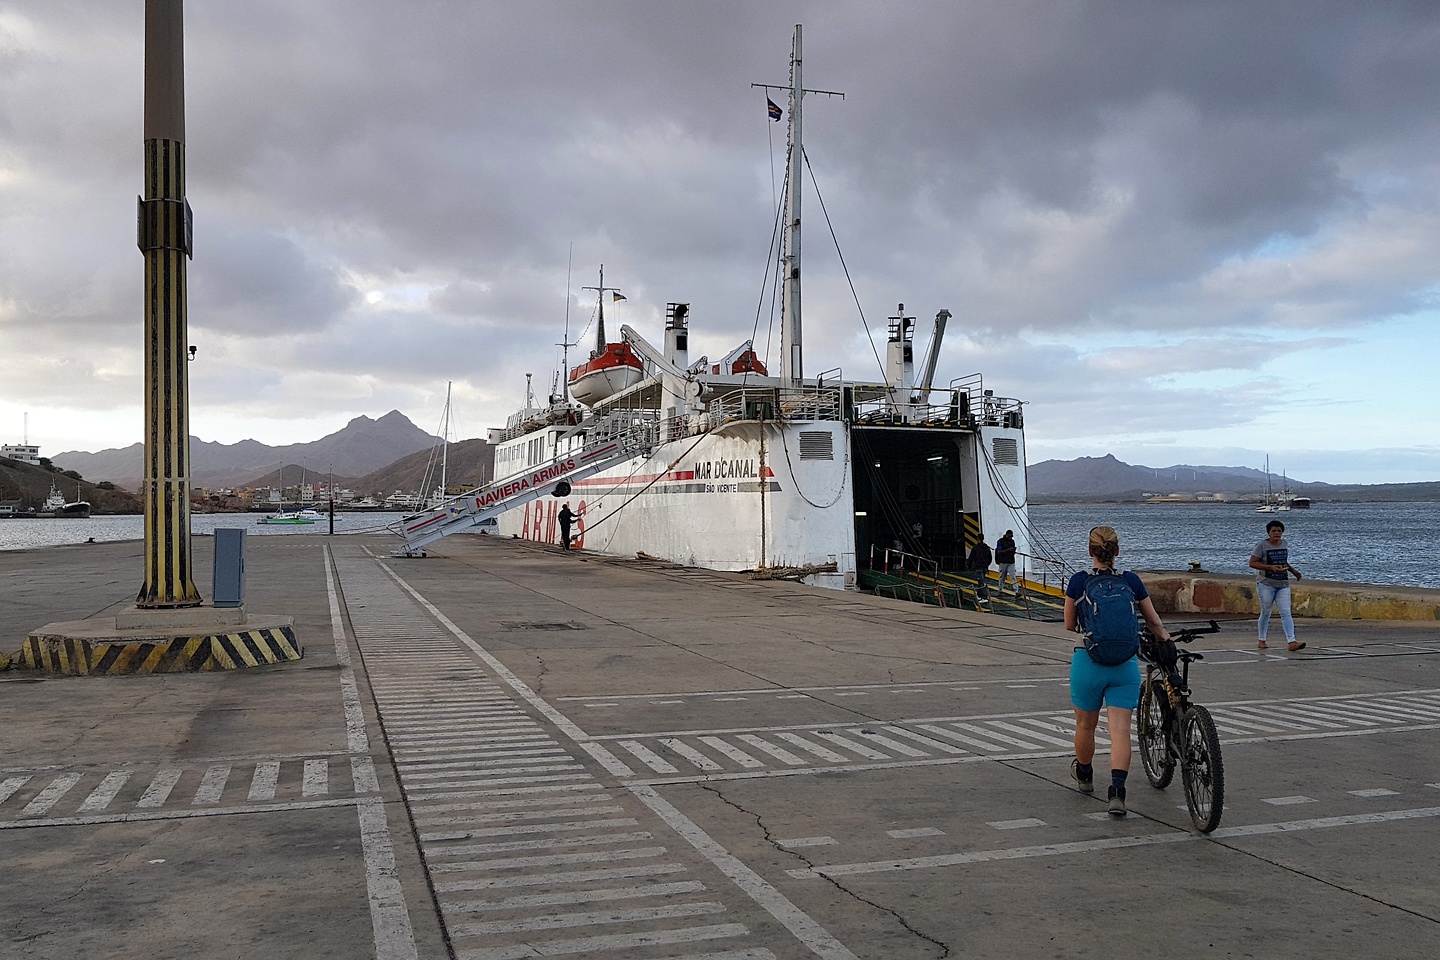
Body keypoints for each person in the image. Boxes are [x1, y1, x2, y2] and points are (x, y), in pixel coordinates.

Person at [1064, 525, 1172, 817]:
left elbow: (1069, 624)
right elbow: (1153, 622)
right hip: (1124, 665)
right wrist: (1167, 642)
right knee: (1120, 731)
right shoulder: (1131, 581)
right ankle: (1117, 793)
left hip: (1088, 661)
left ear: (1090, 551)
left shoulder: (1078, 582)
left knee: (1085, 725)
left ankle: (1085, 776)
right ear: (1117, 551)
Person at [1249, 519, 1304, 652]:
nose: (1276, 533)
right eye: (1273, 531)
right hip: (1266, 583)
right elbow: (1252, 563)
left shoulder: (1284, 543)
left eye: (1279, 531)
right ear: (1268, 533)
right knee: (1266, 611)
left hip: (1283, 583)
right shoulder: (1262, 546)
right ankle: (1262, 639)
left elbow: (1284, 561)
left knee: (1286, 612)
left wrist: (1293, 571)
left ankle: (1292, 641)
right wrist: (1270, 567)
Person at [995, 530, 1019, 595]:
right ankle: (1000, 589)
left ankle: (1016, 591)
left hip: (1011, 561)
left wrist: (1013, 550)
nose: (1011, 538)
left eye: (1011, 536)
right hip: (1003, 561)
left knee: (1013, 576)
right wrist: (1009, 550)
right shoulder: (1000, 541)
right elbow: (999, 551)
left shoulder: (1012, 541)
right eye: (1010, 536)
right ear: (1006, 535)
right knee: (1002, 576)